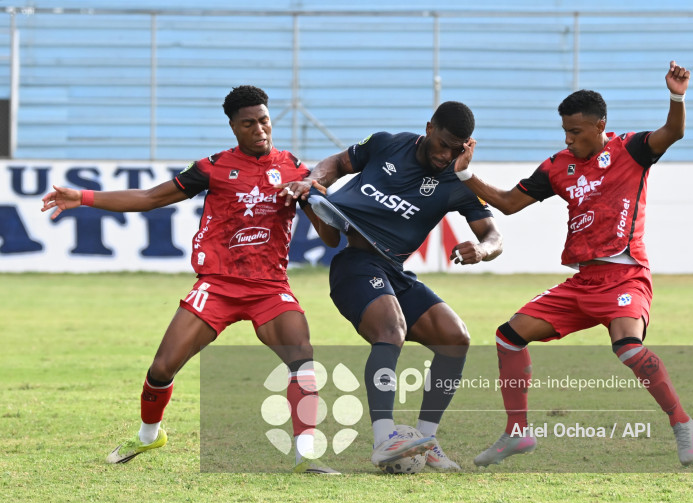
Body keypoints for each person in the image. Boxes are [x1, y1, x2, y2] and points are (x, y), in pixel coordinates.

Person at [41, 85, 339, 474]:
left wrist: (314, 197)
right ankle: (149, 435)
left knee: (302, 358)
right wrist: (83, 197)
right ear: (233, 126)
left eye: (264, 121)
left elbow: (330, 238)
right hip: (218, 285)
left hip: (269, 287)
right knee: (162, 368)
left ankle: (306, 455)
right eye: (248, 124)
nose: (259, 130)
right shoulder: (213, 167)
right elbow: (150, 198)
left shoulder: (295, 170)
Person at [455, 61, 693, 467]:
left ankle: (681, 422)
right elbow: (509, 203)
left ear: (600, 125)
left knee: (628, 348)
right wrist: (466, 176)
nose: (569, 139)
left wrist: (677, 96)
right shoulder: (558, 167)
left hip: (625, 276)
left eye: (576, 131)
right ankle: (517, 432)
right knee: (508, 336)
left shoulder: (631, 150)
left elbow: (673, 132)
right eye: (565, 131)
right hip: (583, 282)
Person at [293, 101, 503, 472]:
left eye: (456, 149)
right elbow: (337, 163)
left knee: (455, 338)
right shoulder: (387, 144)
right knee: (391, 331)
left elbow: (493, 235)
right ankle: (383, 440)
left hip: (394, 270)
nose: (445, 155)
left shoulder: (457, 179)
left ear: (467, 146)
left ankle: (427, 441)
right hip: (355, 265)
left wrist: (482, 250)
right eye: (442, 144)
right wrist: (314, 179)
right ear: (429, 128)